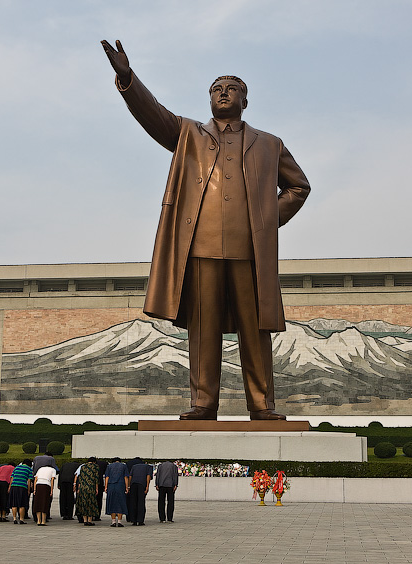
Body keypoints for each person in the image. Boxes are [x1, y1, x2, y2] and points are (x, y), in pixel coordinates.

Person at [101, 40, 311, 421]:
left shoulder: (269, 144)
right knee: (203, 329)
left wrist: (266, 218)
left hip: (249, 250)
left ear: (245, 100)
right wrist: (127, 78)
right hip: (200, 246)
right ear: (209, 99)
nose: (223, 93)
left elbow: (299, 187)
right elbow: (153, 114)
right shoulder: (188, 135)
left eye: (232, 89)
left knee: (255, 330)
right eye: (216, 89)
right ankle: (203, 403)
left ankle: (262, 405)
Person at [104, 457, 130, 527]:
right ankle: (119, 521)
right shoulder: (124, 466)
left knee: (112, 502)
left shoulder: (109, 466)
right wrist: (127, 487)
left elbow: (107, 477)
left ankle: (113, 521)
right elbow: (126, 477)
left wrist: (106, 487)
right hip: (120, 486)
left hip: (111, 486)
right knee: (120, 502)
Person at [74, 457, 100, 526]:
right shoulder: (95, 467)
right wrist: (96, 488)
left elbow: (80, 478)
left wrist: (79, 488)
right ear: (94, 462)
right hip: (91, 487)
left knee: (84, 503)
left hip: (83, 487)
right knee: (91, 503)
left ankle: (85, 520)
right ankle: (90, 520)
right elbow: (96, 478)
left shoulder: (83, 467)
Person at [8, 459, 34, 524]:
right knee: (22, 504)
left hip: (14, 486)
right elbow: (29, 480)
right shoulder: (29, 469)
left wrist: (10, 487)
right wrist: (28, 490)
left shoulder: (16, 467)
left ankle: (14, 519)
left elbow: (12, 478)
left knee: (14, 503)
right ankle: (21, 519)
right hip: (22, 487)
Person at [129, 459, 153, 525]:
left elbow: (130, 476)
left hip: (133, 484)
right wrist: (147, 486)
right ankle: (140, 520)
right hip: (141, 485)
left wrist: (129, 486)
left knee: (133, 502)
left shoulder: (134, 466)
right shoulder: (148, 467)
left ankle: (133, 520)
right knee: (141, 502)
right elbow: (148, 476)